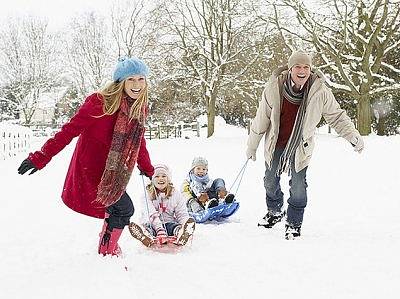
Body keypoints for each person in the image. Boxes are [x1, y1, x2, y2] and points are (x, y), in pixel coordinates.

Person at [17, 57, 155, 256]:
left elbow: (138, 141)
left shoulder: (137, 108)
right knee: (124, 208)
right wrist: (40, 157)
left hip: (113, 173)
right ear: (120, 81)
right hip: (91, 170)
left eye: (141, 79)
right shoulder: (99, 103)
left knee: (119, 208)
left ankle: (106, 242)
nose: (137, 85)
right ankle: (107, 249)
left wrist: (147, 167)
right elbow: (69, 131)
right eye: (131, 79)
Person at [246, 50, 364, 240]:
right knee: (269, 181)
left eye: (306, 67)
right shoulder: (274, 88)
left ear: (310, 69)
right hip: (276, 143)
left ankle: (293, 223)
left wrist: (352, 136)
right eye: (298, 67)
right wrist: (252, 146)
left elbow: (336, 116)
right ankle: (275, 211)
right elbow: (261, 119)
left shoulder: (319, 91)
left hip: (301, 147)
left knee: (299, 186)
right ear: (290, 68)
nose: (302, 71)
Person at [129, 164, 195, 247]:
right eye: (157, 176)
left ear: (168, 179)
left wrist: (184, 224)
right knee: (149, 229)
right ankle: (145, 235)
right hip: (151, 224)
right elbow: (150, 213)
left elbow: (181, 213)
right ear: (152, 180)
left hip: (168, 223)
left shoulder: (175, 194)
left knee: (173, 227)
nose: (161, 178)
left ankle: (181, 233)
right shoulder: (146, 195)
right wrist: (159, 229)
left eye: (164, 176)